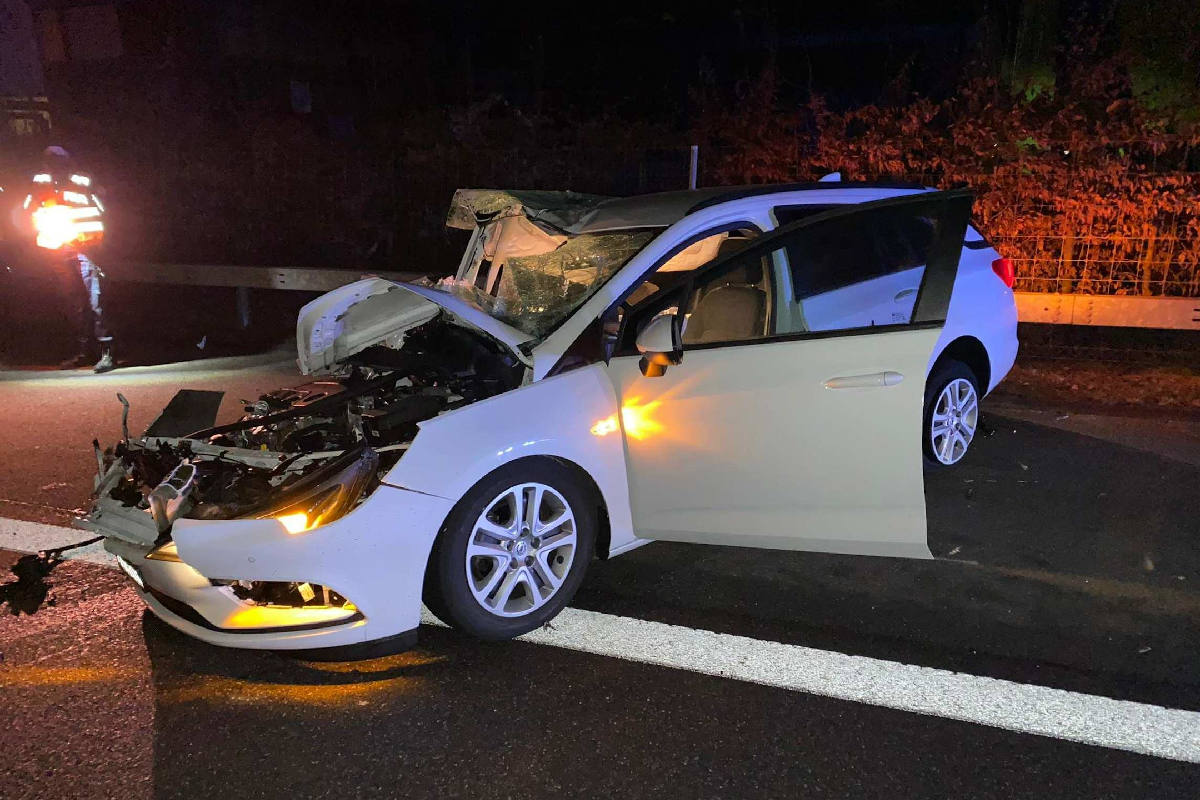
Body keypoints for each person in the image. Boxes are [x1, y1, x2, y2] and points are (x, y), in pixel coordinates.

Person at [26, 146, 113, 373]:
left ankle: (107, 352)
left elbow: (104, 210)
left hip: (85, 247)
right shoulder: (40, 182)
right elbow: (27, 210)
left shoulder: (83, 182)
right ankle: (84, 352)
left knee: (96, 300)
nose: (54, 166)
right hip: (58, 247)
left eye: (58, 162)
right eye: (50, 162)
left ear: (68, 162)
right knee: (73, 302)